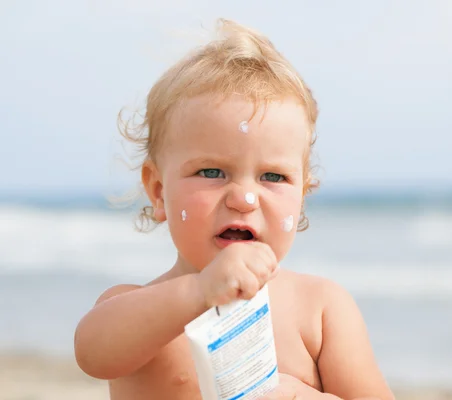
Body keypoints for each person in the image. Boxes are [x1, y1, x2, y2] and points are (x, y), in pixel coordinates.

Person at [74, 18, 394, 400]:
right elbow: (92, 354)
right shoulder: (135, 310)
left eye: (273, 177)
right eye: (212, 172)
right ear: (159, 191)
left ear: (303, 193)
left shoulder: (321, 309)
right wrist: (197, 292)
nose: (244, 198)